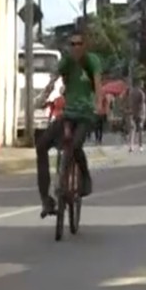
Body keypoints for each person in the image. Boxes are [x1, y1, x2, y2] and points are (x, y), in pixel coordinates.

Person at [34, 29, 102, 217]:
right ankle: (46, 200)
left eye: (79, 44)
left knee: (75, 145)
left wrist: (98, 104)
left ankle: (85, 178)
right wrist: (43, 97)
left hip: (86, 115)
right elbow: (53, 80)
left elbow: (98, 85)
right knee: (41, 146)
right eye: (72, 44)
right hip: (68, 114)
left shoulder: (92, 61)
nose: (76, 47)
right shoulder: (66, 62)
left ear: (85, 46)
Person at [125, 79, 146, 152]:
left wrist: (129, 110)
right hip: (140, 113)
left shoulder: (131, 93)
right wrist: (143, 114)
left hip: (132, 113)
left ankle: (131, 146)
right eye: (142, 84)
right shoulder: (141, 93)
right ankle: (140, 146)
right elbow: (142, 104)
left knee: (132, 130)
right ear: (140, 85)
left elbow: (129, 103)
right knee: (140, 129)